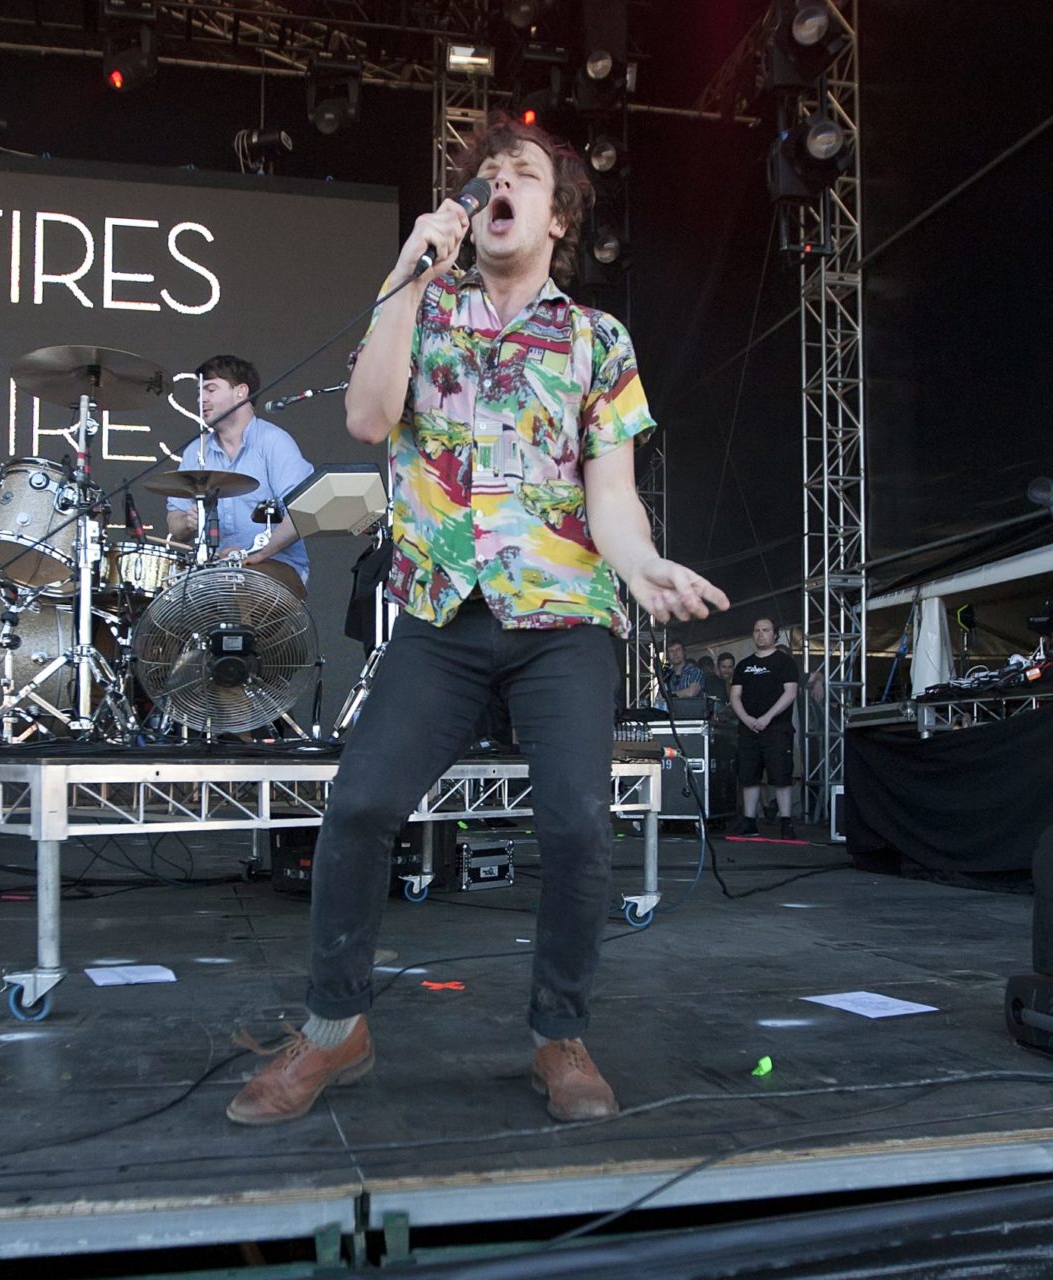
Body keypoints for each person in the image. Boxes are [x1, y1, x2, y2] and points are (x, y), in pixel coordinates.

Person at [225, 114, 726, 1129]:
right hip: (441, 612)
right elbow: (368, 420)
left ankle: (558, 1032)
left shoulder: (597, 339)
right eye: (484, 174)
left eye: (522, 175)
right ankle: (335, 1030)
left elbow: (613, 496)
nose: (498, 185)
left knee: (580, 821)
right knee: (361, 807)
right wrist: (406, 275)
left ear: (558, 215)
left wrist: (642, 568)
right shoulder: (424, 303)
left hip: (563, 617)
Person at [164, 355, 314, 597]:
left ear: (241, 392)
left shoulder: (273, 442)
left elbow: (302, 513)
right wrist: (188, 523)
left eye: (210, 389)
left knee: (241, 588)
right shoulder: (196, 451)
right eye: (199, 392)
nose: (202, 399)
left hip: (276, 568)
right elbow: (175, 523)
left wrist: (254, 555)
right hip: (214, 573)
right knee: (168, 607)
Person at [730, 617, 800, 839]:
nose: (760, 634)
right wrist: (747, 719)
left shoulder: (785, 662)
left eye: (765, 630)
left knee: (781, 776)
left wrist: (767, 717)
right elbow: (735, 696)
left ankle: (786, 823)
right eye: (757, 630)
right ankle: (749, 822)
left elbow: (790, 693)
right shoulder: (743, 665)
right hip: (749, 728)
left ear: (775, 635)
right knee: (749, 776)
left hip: (777, 728)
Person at [656, 640, 704, 708]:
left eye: (678, 650)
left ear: (684, 652)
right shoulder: (667, 674)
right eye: (671, 651)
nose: (675, 654)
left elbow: (691, 692)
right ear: (667, 655)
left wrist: (669, 695)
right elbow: (660, 696)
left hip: (692, 714)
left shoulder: (695, 671)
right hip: (672, 715)